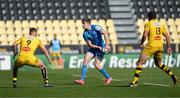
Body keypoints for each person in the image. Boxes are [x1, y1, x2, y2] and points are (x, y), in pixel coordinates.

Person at [129, 12, 178, 87]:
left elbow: (144, 36)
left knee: (139, 63)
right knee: (159, 64)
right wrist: (168, 47)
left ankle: (135, 82)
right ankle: (172, 75)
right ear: (155, 17)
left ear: (149, 17)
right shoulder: (161, 25)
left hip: (151, 46)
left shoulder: (148, 24)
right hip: (160, 46)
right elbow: (168, 37)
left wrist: (142, 42)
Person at [74, 19, 112, 85]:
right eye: (82, 24)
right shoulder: (85, 34)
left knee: (96, 64)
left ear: (88, 23)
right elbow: (90, 44)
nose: (82, 25)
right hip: (94, 48)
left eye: (84, 23)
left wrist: (107, 44)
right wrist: (97, 47)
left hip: (101, 48)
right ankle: (82, 80)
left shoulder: (96, 27)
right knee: (85, 60)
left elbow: (105, 32)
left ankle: (108, 77)